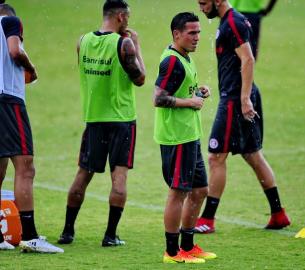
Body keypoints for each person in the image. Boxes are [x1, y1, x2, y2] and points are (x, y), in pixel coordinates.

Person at [195, 0, 290, 234]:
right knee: (252, 154)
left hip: (235, 99)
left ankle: (207, 219)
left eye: (204, 3)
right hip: (239, 96)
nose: (201, 8)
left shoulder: (233, 23)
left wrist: (244, 98)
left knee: (216, 157)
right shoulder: (230, 21)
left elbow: (248, 59)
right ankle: (278, 214)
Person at [57, 0, 145, 247]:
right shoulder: (124, 43)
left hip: (94, 119)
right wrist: (137, 46)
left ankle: (67, 231)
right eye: (127, 17)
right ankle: (110, 235)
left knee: (83, 174)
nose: (128, 21)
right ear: (119, 16)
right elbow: (140, 79)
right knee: (119, 178)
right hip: (122, 120)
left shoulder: (82, 41)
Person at [0, 2, 63, 253]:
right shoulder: (9, 21)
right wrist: (31, 68)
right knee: (25, 167)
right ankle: (30, 236)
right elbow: (15, 52)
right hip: (9, 101)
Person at [154, 12, 216, 263]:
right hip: (177, 138)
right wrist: (190, 101)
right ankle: (171, 252)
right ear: (176, 34)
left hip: (190, 135)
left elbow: (180, 90)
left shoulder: (185, 57)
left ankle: (188, 246)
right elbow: (158, 99)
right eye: (192, 33)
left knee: (200, 190)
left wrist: (198, 91)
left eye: (199, 32)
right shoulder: (171, 61)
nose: (197, 37)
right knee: (178, 192)